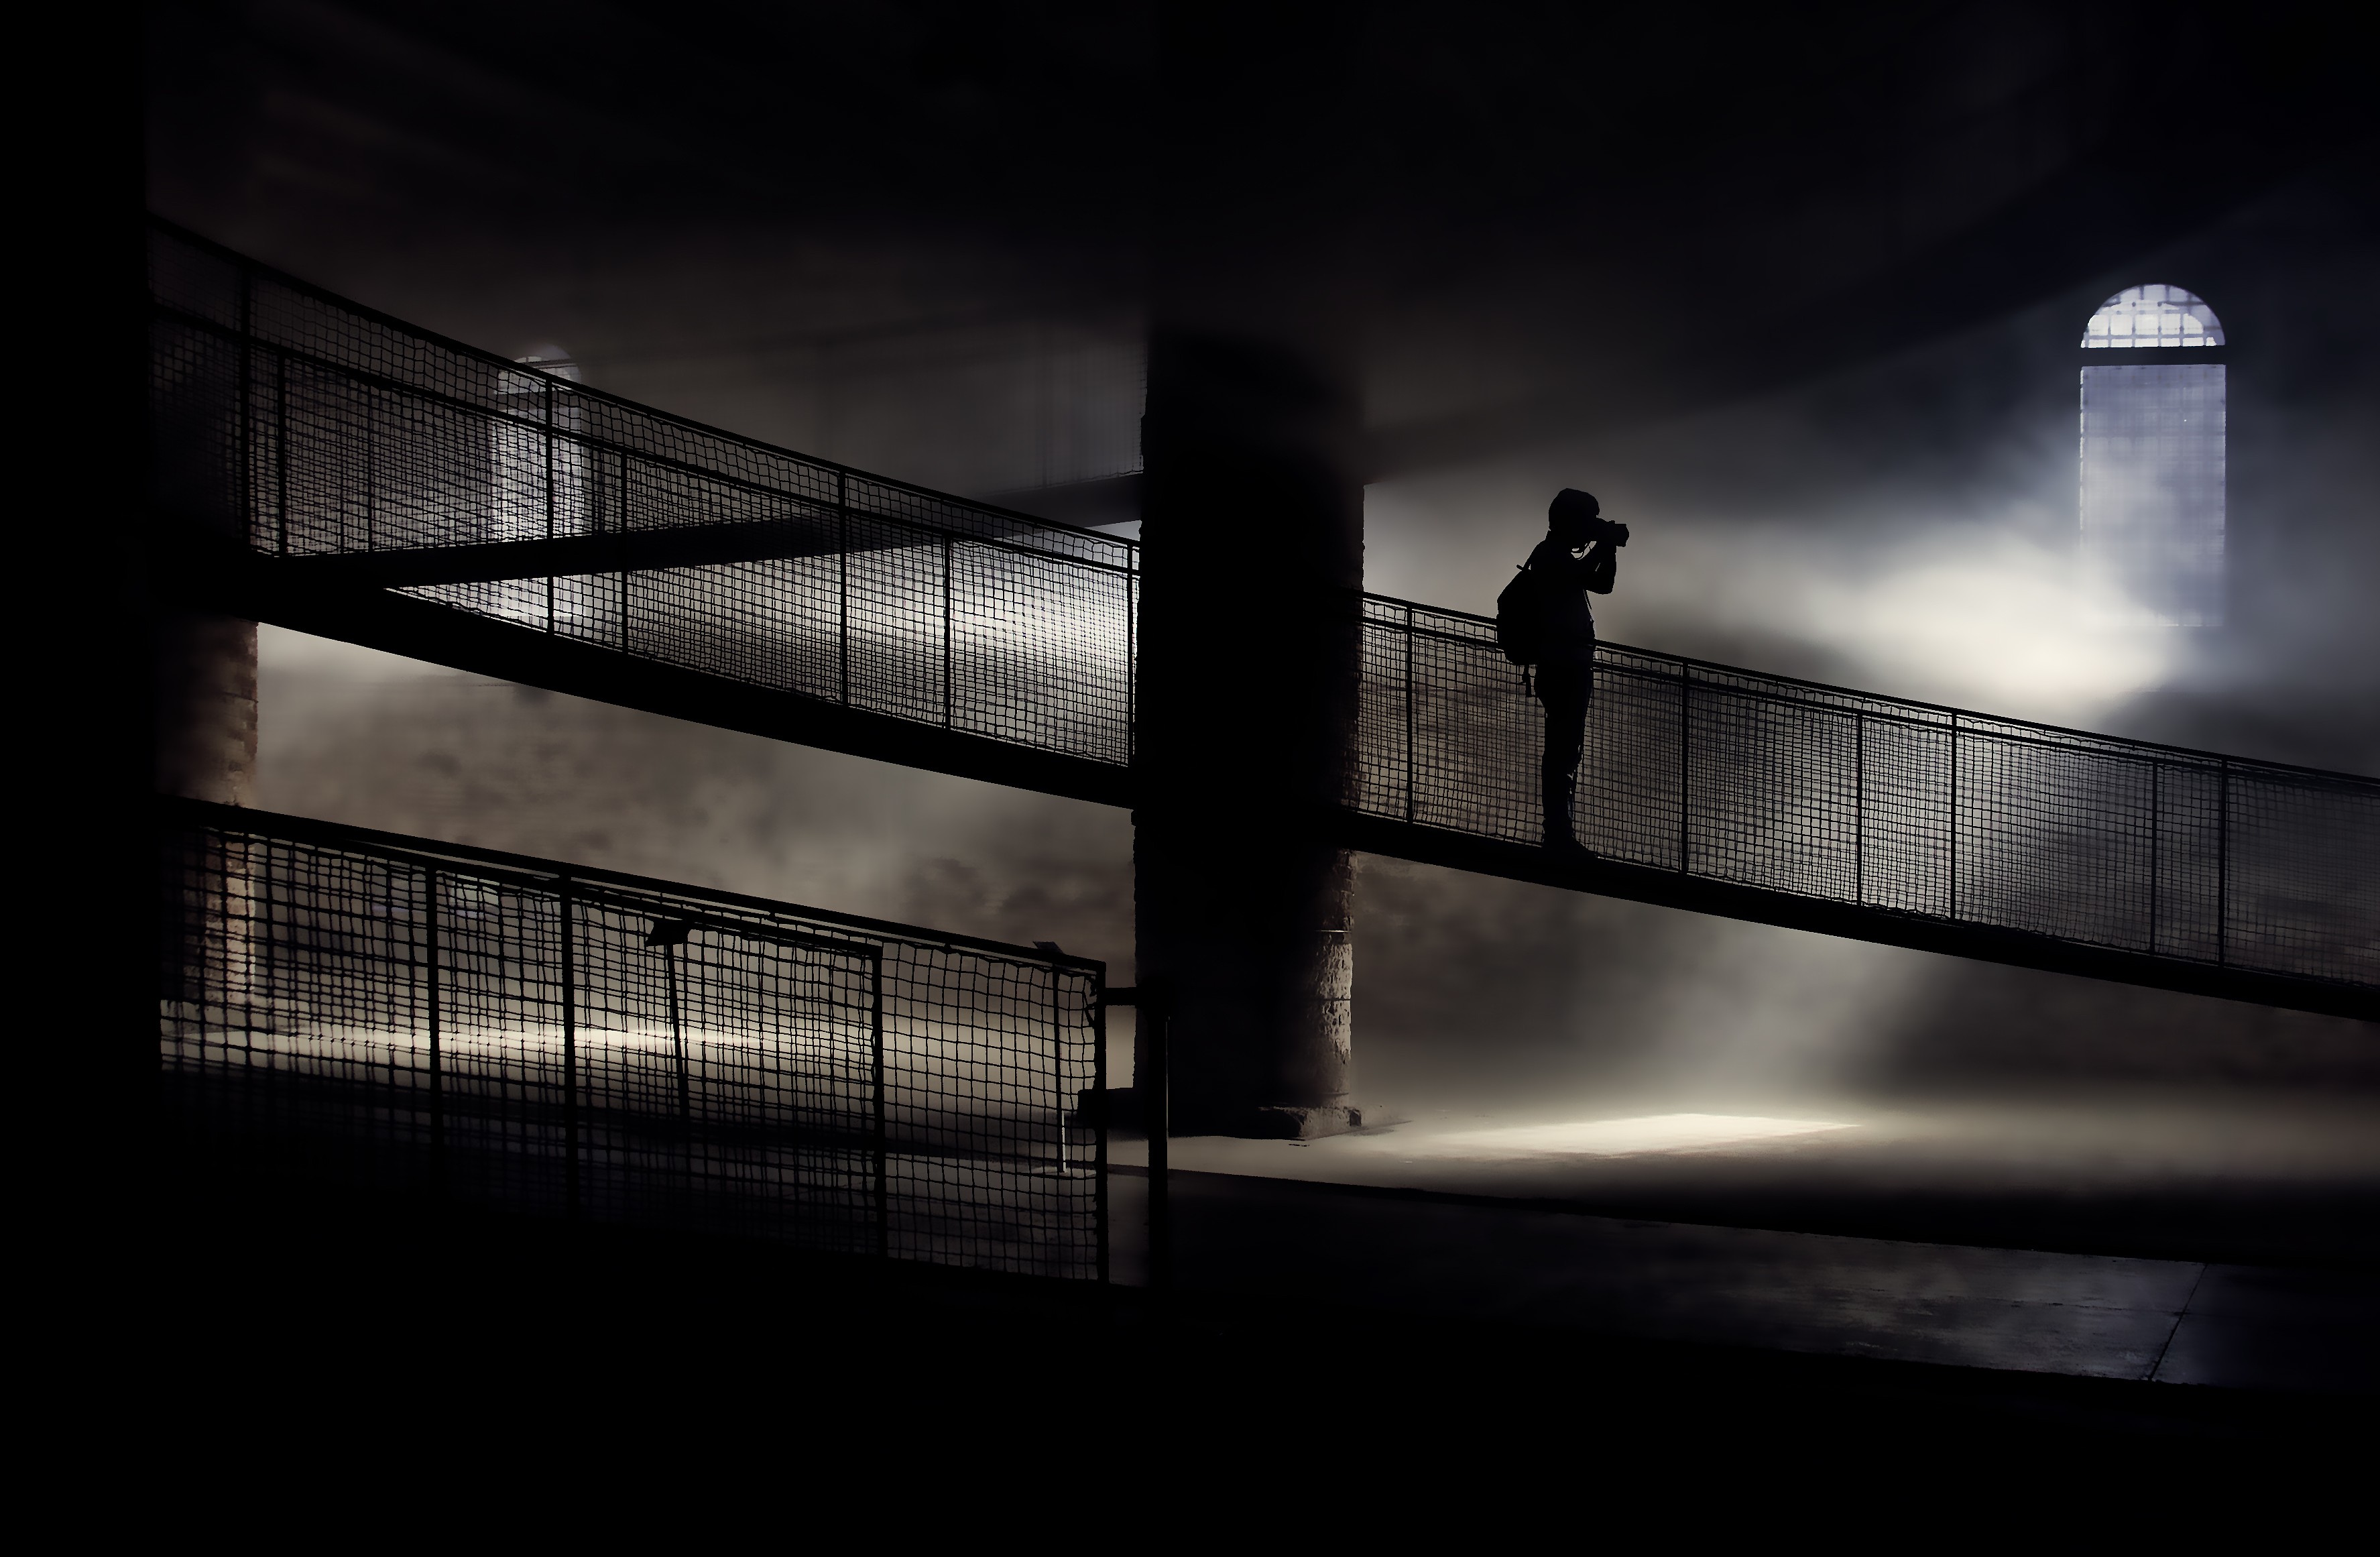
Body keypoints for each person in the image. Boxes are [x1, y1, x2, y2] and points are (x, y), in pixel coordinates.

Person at [1527, 489, 1620, 856]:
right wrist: (1604, 541)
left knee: (1567, 753)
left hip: (1572, 666)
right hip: (1561, 667)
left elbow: (1604, 584)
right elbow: (1580, 572)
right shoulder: (1549, 555)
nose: (1590, 528)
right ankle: (1558, 836)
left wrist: (1608, 549)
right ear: (1569, 521)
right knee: (1562, 754)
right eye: (1586, 521)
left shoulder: (1560, 556)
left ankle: (1560, 833)